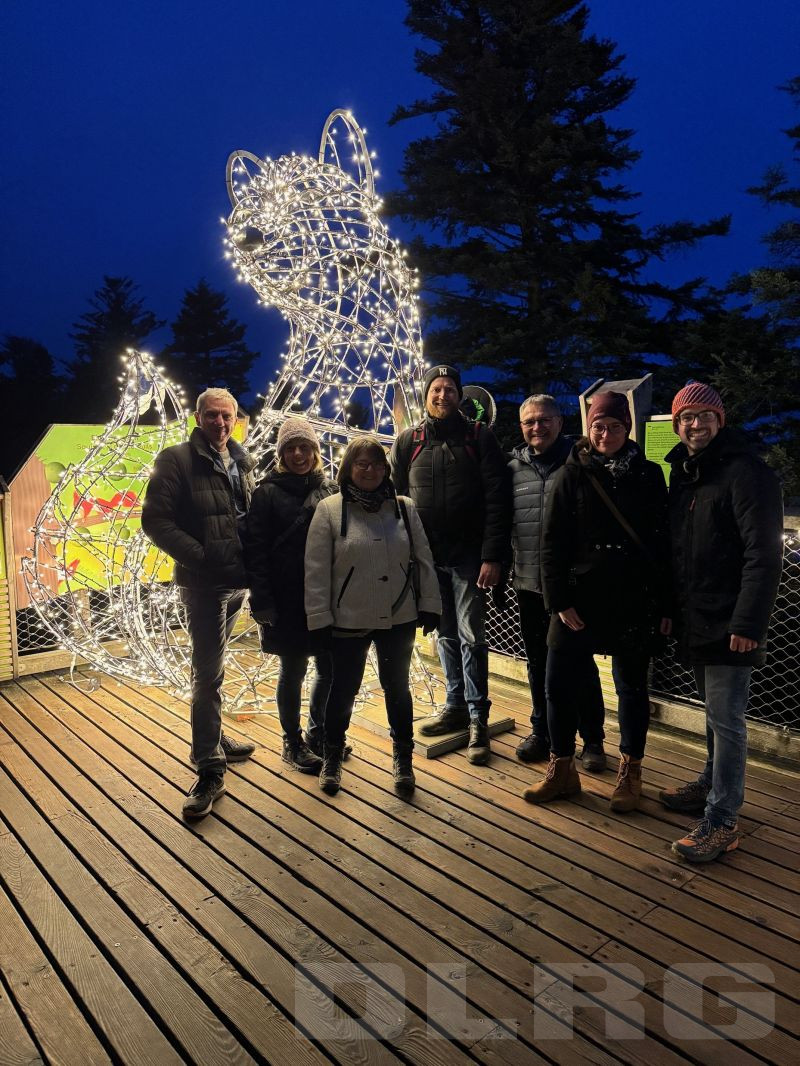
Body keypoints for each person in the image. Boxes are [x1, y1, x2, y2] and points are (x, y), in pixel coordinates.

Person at [527, 391, 671, 810]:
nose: (605, 434)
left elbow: (663, 544)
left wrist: (666, 604)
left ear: (627, 428)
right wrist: (558, 601)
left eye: (614, 426)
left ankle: (631, 771)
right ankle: (562, 769)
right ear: (588, 429)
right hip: (578, 598)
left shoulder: (648, 474)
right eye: (598, 426)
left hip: (633, 597)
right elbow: (551, 543)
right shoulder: (570, 474)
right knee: (557, 684)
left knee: (631, 688)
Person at [661, 383, 783, 863]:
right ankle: (711, 783)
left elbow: (763, 554)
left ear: (720, 420)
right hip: (697, 615)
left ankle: (723, 818)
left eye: (705, 416)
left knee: (728, 720)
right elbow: (678, 551)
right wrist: (671, 610)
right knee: (715, 714)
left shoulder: (746, 471)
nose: (696, 425)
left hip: (731, 619)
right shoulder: (686, 473)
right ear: (677, 424)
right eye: (687, 417)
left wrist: (748, 622)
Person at [142, 387, 257, 820]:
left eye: (227, 416)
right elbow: (154, 520)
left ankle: (215, 736)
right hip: (205, 584)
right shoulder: (177, 460)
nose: (221, 423)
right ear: (198, 417)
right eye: (212, 415)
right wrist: (202, 556)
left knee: (217, 665)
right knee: (207, 674)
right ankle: (209, 767)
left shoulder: (243, 459)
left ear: (235, 418)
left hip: (238, 582)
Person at [305, 435, 441, 797]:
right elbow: (316, 571)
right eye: (362, 464)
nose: (370, 471)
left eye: (377, 464)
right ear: (348, 468)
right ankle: (332, 756)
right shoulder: (330, 510)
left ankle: (403, 760)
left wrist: (430, 603)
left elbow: (423, 558)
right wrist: (319, 619)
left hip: (399, 616)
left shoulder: (403, 508)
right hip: (348, 617)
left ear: (386, 468)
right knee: (343, 688)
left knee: (397, 687)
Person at [390, 364, 510, 764]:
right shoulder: (409, 441)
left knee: (471, 635)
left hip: (469, 557)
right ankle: (455, 704)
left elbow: (497, 500)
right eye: (436, 390)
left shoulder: (479, 437)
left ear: (460, 396)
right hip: (427, 558)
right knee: (443, 634)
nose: (443, 395)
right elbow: (396, 500)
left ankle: (477, 718)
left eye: (449, 389)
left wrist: (492, 555)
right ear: (426, 396)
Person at [508, 394, 606, 769]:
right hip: (530, 582)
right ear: (521, 427)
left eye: (544, 420)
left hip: (572, 588)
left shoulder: (581, 462)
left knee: (580, 663)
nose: (537, 427)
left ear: (559, 423)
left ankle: (592, 738)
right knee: (537, 662)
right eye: (530, 421)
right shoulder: (512, 468)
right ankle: (543, 731)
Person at [245, 417, 338, 772]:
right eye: (290, 449)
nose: (298, 454)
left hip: (325, 594)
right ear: (281, 454)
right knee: (293, 669)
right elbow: (256, 551)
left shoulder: (330, 489)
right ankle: (292, 742)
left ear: (315, 451)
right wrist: (262, 600)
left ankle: (318, 733)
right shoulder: (267, 493)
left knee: (328, 667)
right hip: (286, 597)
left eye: (304, 447)